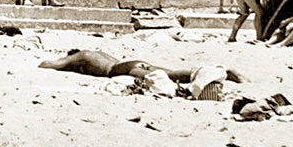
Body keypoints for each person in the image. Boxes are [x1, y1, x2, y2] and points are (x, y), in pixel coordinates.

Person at [39, 49, 244, 98]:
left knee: (171, 79)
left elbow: (51, 64)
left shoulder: (82, 55)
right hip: (130, 63)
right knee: (172, 74)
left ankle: (214, 75)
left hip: (119, 71)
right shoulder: (98, 53)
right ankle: (219, 72)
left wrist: (60, 63)